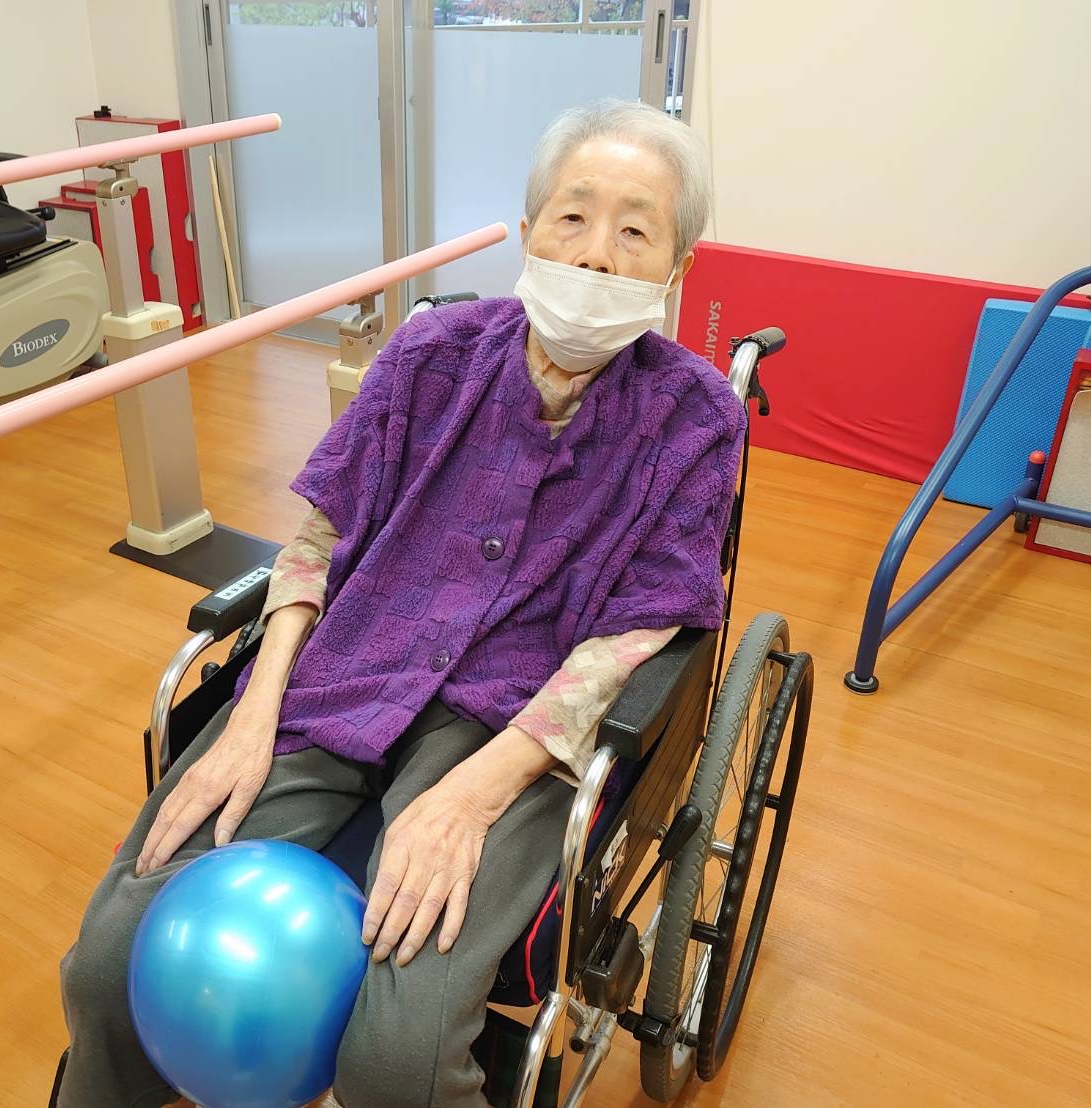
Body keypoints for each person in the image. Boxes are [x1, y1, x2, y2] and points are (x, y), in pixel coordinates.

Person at [57, 97, 744, 1108]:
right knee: (109, 963)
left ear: (674, 269)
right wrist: (251, 718)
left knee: (397, 1056)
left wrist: (474, 795)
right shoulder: (432, 355)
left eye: (634, 231)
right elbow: (316, 541)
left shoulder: (696, 418)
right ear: (528, 230)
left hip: (509, 725)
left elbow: (640, 623)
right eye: (572, 216)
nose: (595, 253)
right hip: (344, 675)